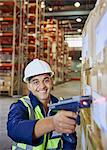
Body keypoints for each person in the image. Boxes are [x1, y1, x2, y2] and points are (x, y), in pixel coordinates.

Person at [7, 59, 77, 150]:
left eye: (46, 80)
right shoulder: (21, 106)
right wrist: (53, 123)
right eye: (36, 82)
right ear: (29, 86)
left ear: (51, 82)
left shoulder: (61, 106)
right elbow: (14, 130)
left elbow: (69, 141)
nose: (42, 86)